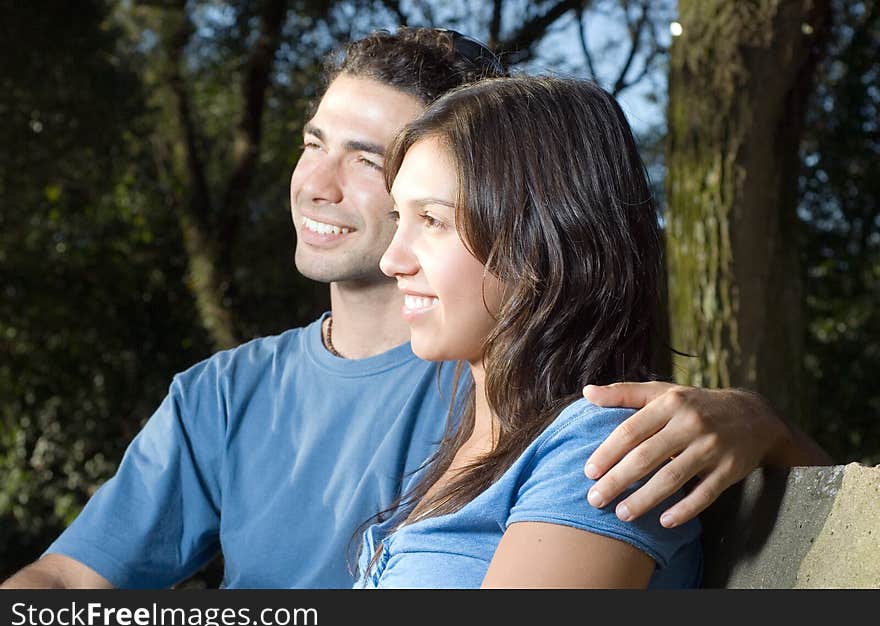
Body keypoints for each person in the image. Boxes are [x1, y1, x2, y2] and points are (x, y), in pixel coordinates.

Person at [1, 27, 831, 590]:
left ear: (519, 217)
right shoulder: (225, 393)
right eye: (311, 142)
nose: (316, 183)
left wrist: (765, 428)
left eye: (372, 162)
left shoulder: (536, 407)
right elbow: (70, 581)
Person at [354, 75, 702, 588]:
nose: (392, 260)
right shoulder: (466, 445)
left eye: (432, 220)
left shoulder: (602, 448)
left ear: (540, 237)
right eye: (398, 218)